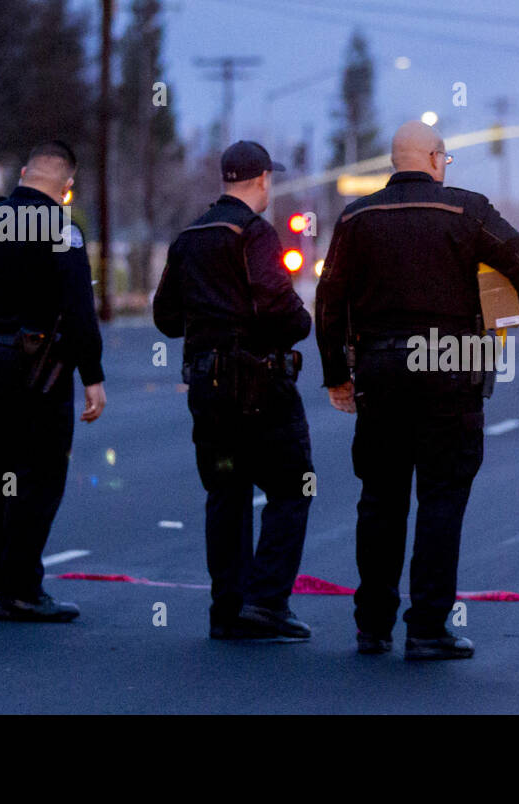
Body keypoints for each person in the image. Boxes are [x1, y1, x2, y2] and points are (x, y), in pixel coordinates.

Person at [315, 121, 519, 660]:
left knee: (380, 500)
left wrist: (336, 375)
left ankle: (372, 625)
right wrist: (503, 311)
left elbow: (328, 301)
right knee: (441, 497)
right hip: (450, 369)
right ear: (436, 158)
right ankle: (427, 628)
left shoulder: (356, 216)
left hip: (381, 371)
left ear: (397, 162)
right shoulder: (467, 212)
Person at [153, 141, 314, 642]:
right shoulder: (254, 233)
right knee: (293, 486)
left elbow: (164, 316)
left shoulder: (190, 236)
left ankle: (227, 608)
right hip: (260, 386)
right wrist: (301, 321)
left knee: (226, 491)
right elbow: (278, 307)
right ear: (263, 179)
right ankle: (265, 603)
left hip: (207, 384)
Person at [0, 140, 106, 621]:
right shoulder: (63, 230)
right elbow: (79, 311)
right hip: (38, 367)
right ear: (67, 185)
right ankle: (22, 589)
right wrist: (93, 376)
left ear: (23, 172)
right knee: (41, 475)